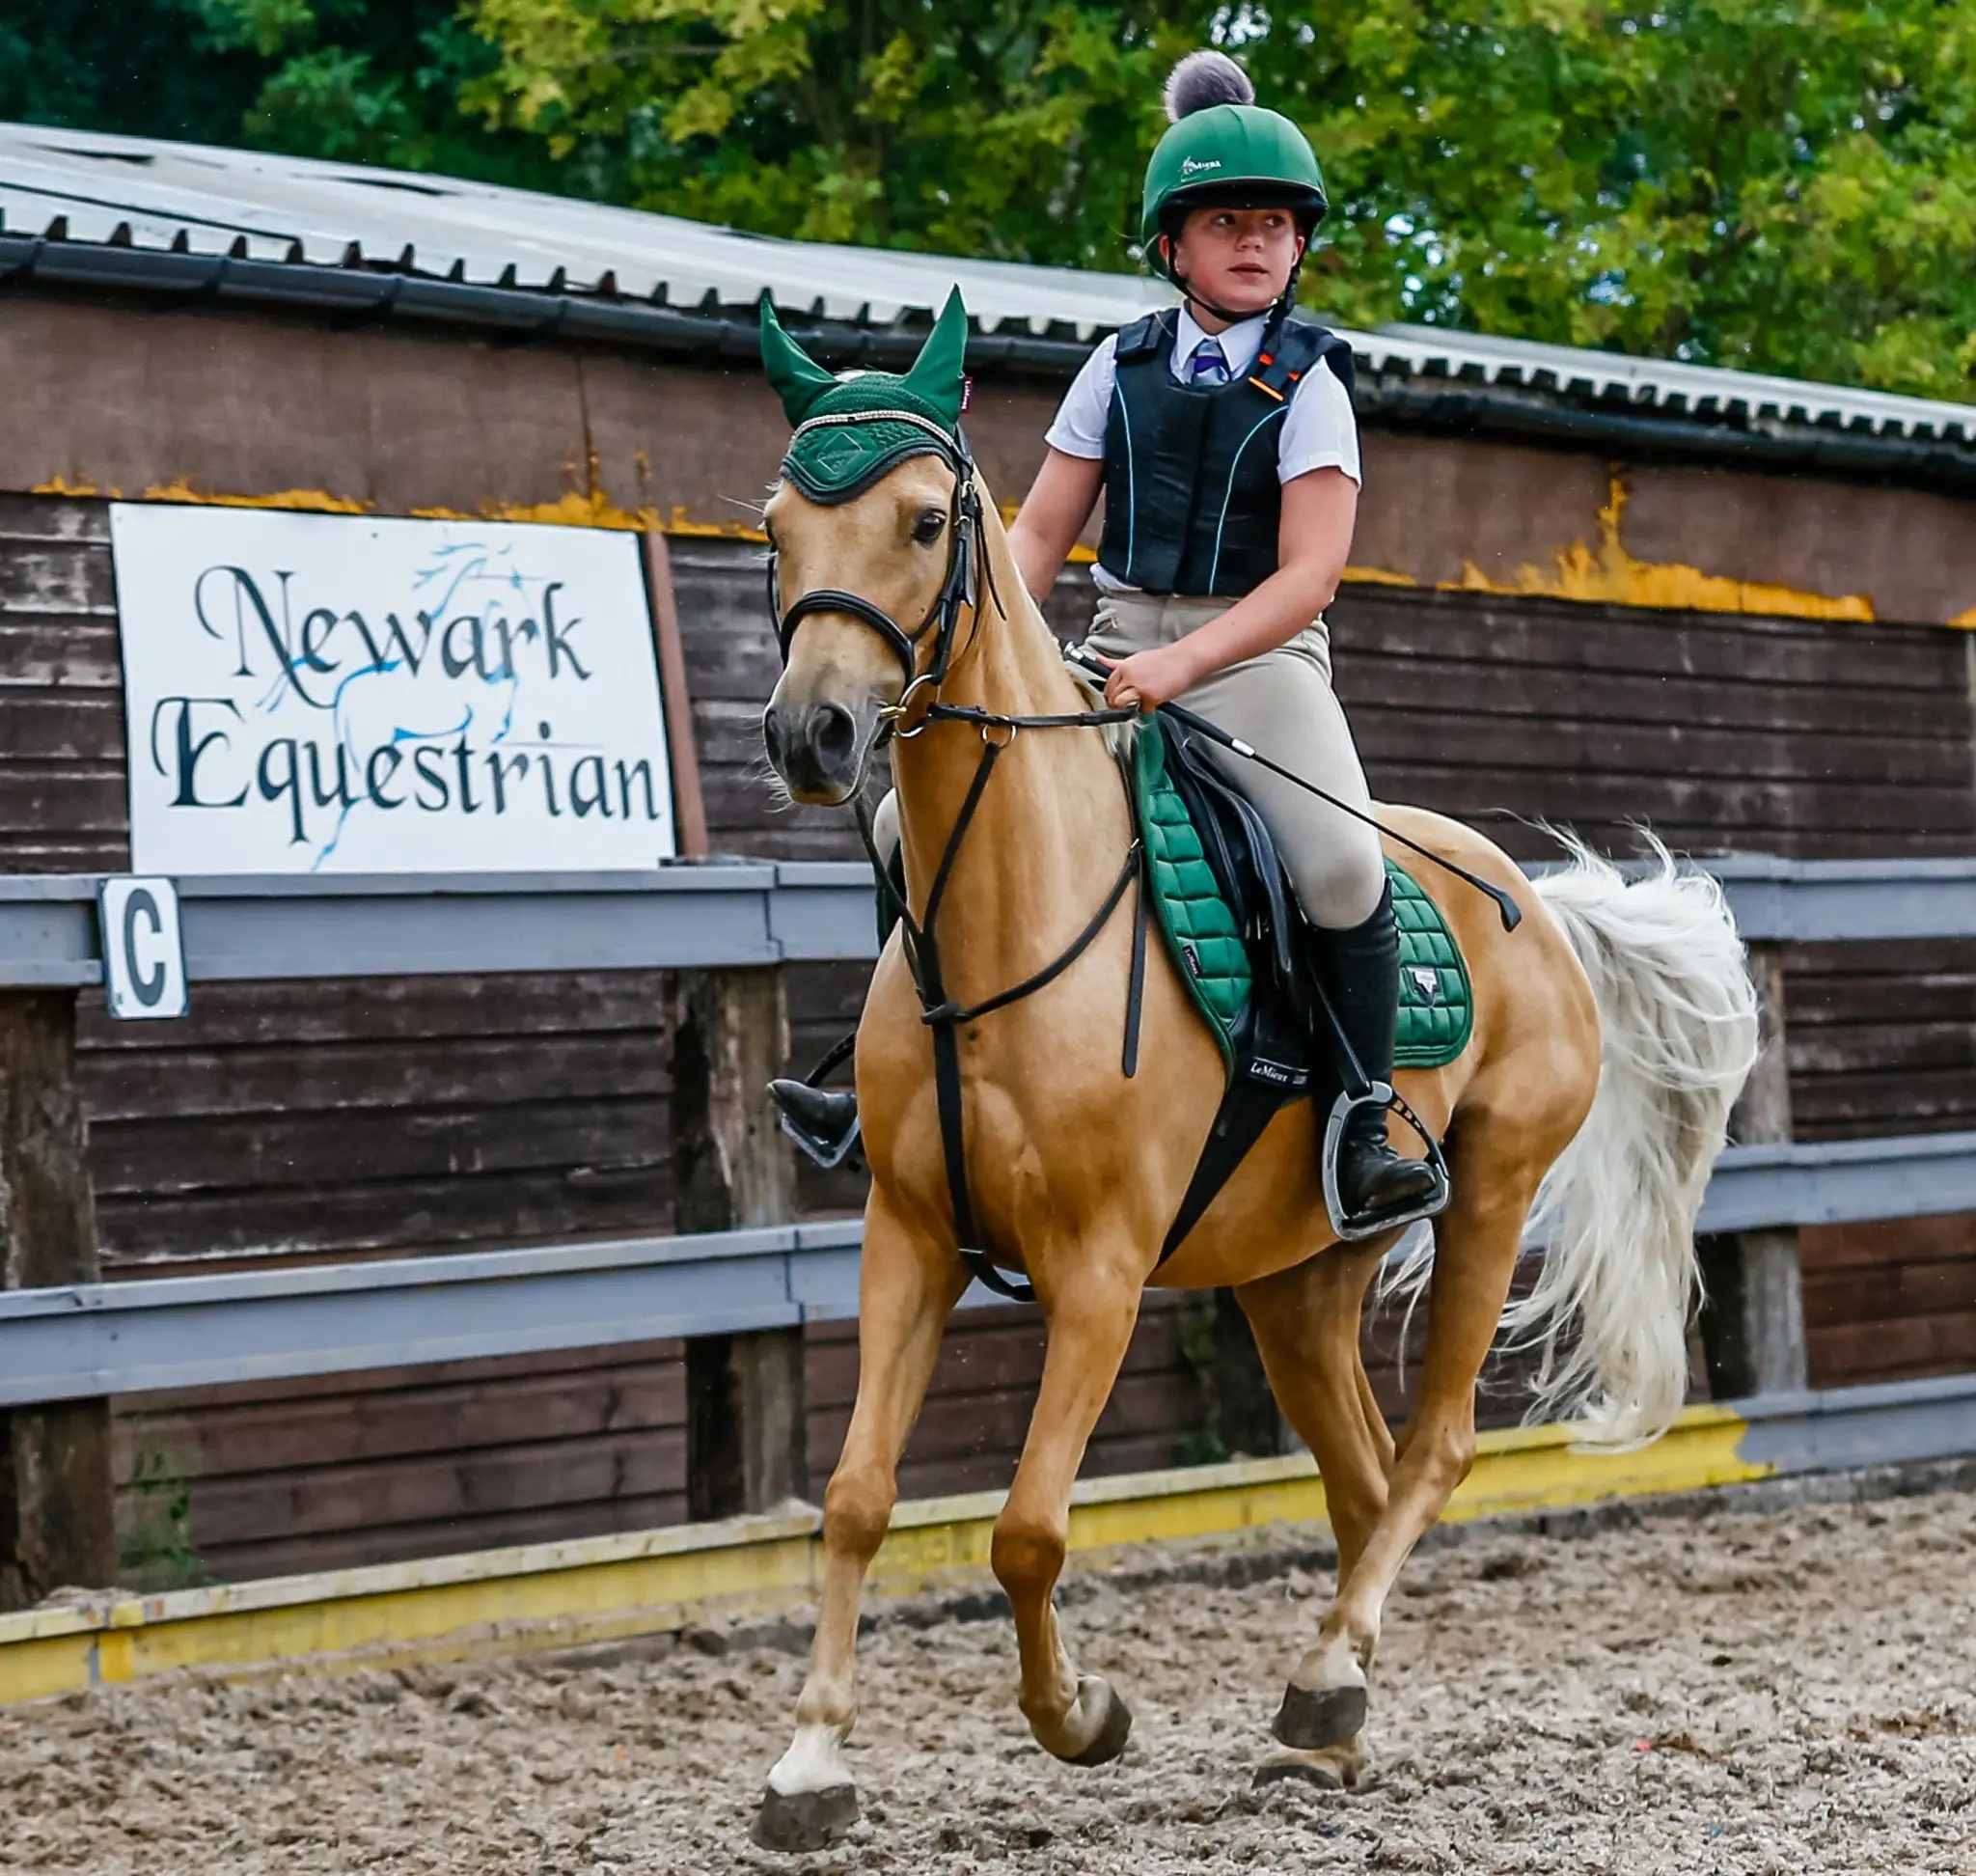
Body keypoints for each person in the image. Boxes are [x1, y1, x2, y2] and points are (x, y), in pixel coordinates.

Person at [771, 49, 1442, 1231]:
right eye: (1225, 222)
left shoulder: (1313, 386)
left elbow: (1309, 575)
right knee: (893, 823)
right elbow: (1033, 535)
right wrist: (998, 651)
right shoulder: (1115, 365)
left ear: (1298, 245)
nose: (1253, 242)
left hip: (1255, 663)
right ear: (1171, 245)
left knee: (1342, 864)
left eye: (1274, 226)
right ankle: (897, 1082)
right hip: (1112, 641)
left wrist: (1184, 665)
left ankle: (1363, 1117)